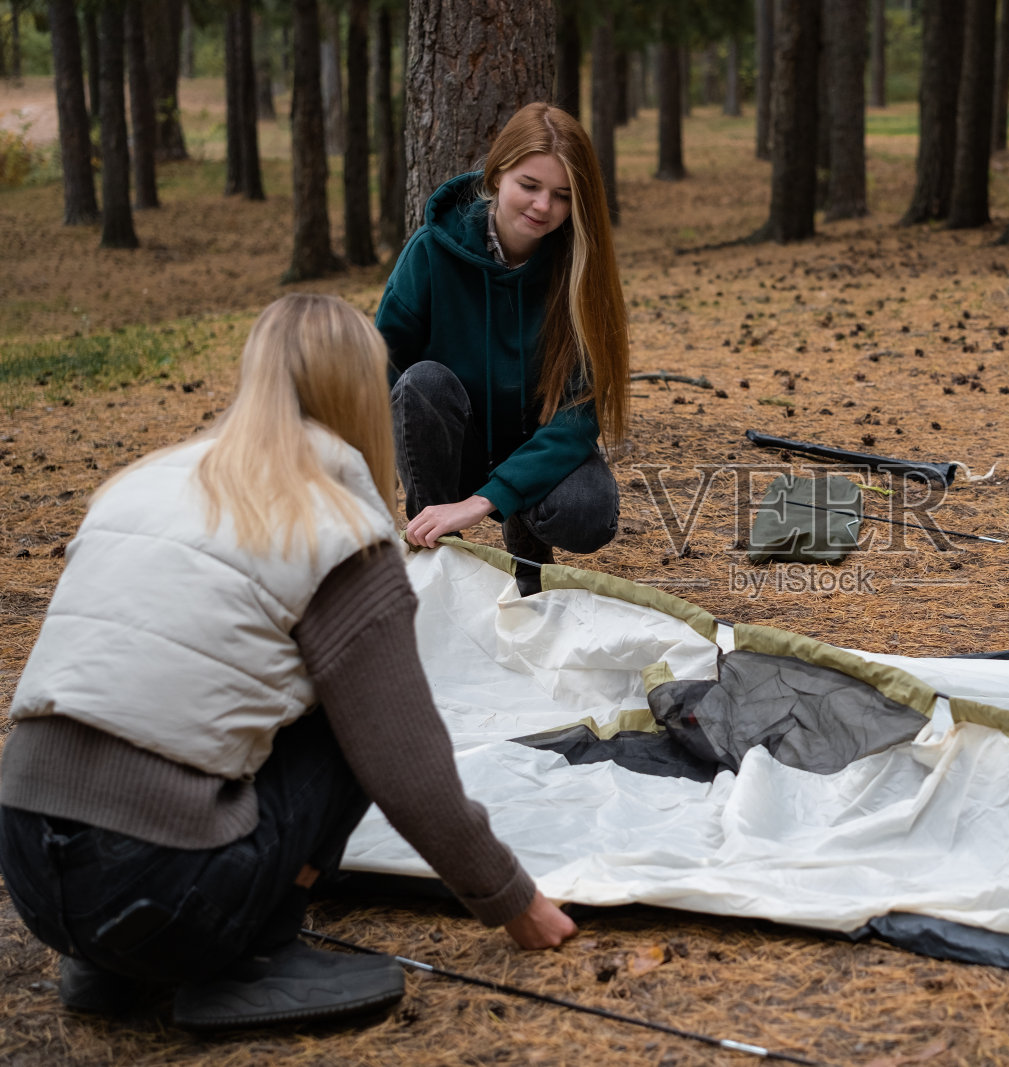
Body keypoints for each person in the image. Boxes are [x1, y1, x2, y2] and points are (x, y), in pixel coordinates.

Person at [0, 294, 576, 1031]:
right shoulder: (333, 524)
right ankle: (248, 960)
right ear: (361, 390)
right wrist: (512, 899)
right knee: (352, 719)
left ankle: (114, 965)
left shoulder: (139, 482)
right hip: (164, 889)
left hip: (29, 869)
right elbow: (405, 762)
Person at [377, 102, 628, 591]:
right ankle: (433, 552)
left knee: (588, 513)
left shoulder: (580, 270)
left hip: (534, 451)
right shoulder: (430, 251)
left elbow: (579, 413)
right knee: (421, 382)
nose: (542, 207)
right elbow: (382, 367)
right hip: (454, 446)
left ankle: (527, 540)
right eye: (529, 186)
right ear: (497, 175)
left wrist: (490, 499)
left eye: (561, 195)